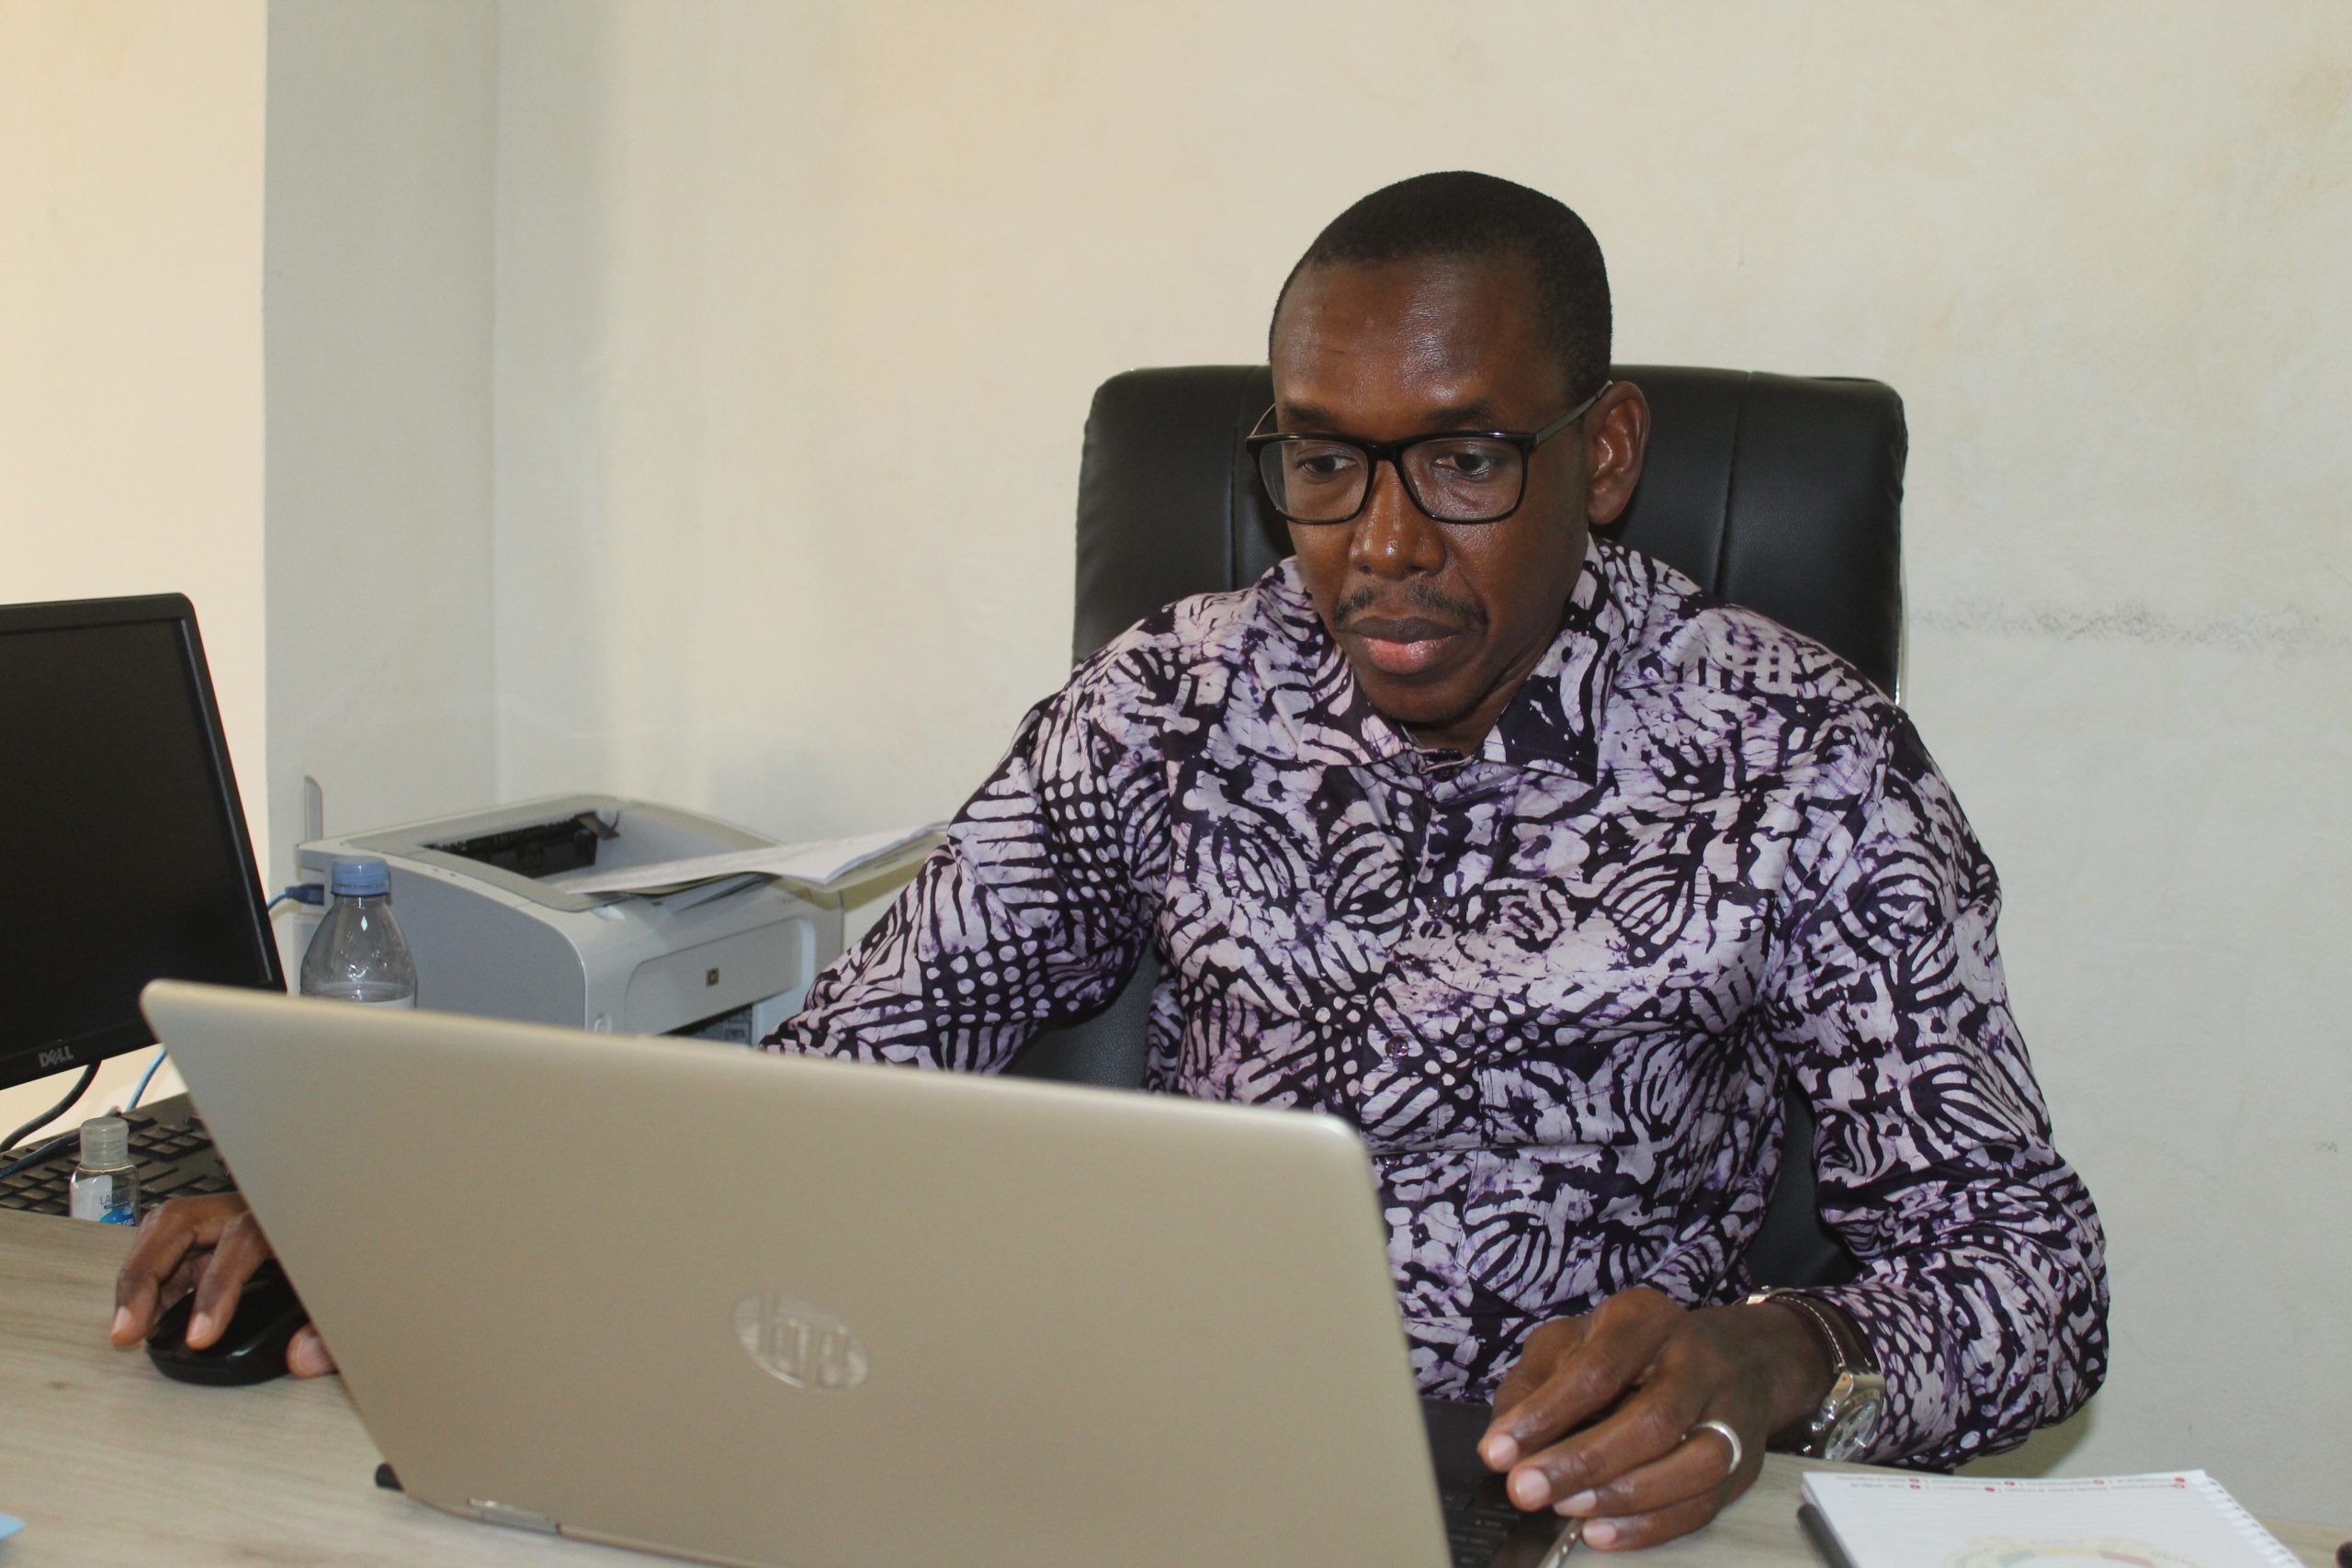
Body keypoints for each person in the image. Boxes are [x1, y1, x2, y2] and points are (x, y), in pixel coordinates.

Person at [113, 172, 2107, 1551]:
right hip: (1122, 1478)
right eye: (1318, 462)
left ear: (1601, 454)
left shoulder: (1798, 761)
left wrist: (1780, 1348)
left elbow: (2029, 1280)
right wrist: (407, 1227)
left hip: (1541, 1516)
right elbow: (849, 1072)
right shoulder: (1175, 696)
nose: (1378, 545)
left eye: (1463, 459)